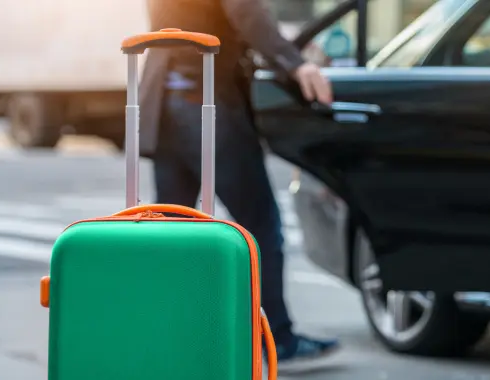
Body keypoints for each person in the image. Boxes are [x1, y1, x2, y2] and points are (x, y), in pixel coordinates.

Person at [137, 0, 339, 366]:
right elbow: (245, 12)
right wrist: (296, 63)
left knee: (171, 234)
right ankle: (277, 338)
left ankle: (167, 339)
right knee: (260, 226)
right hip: (205, 101)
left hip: (163, 102)